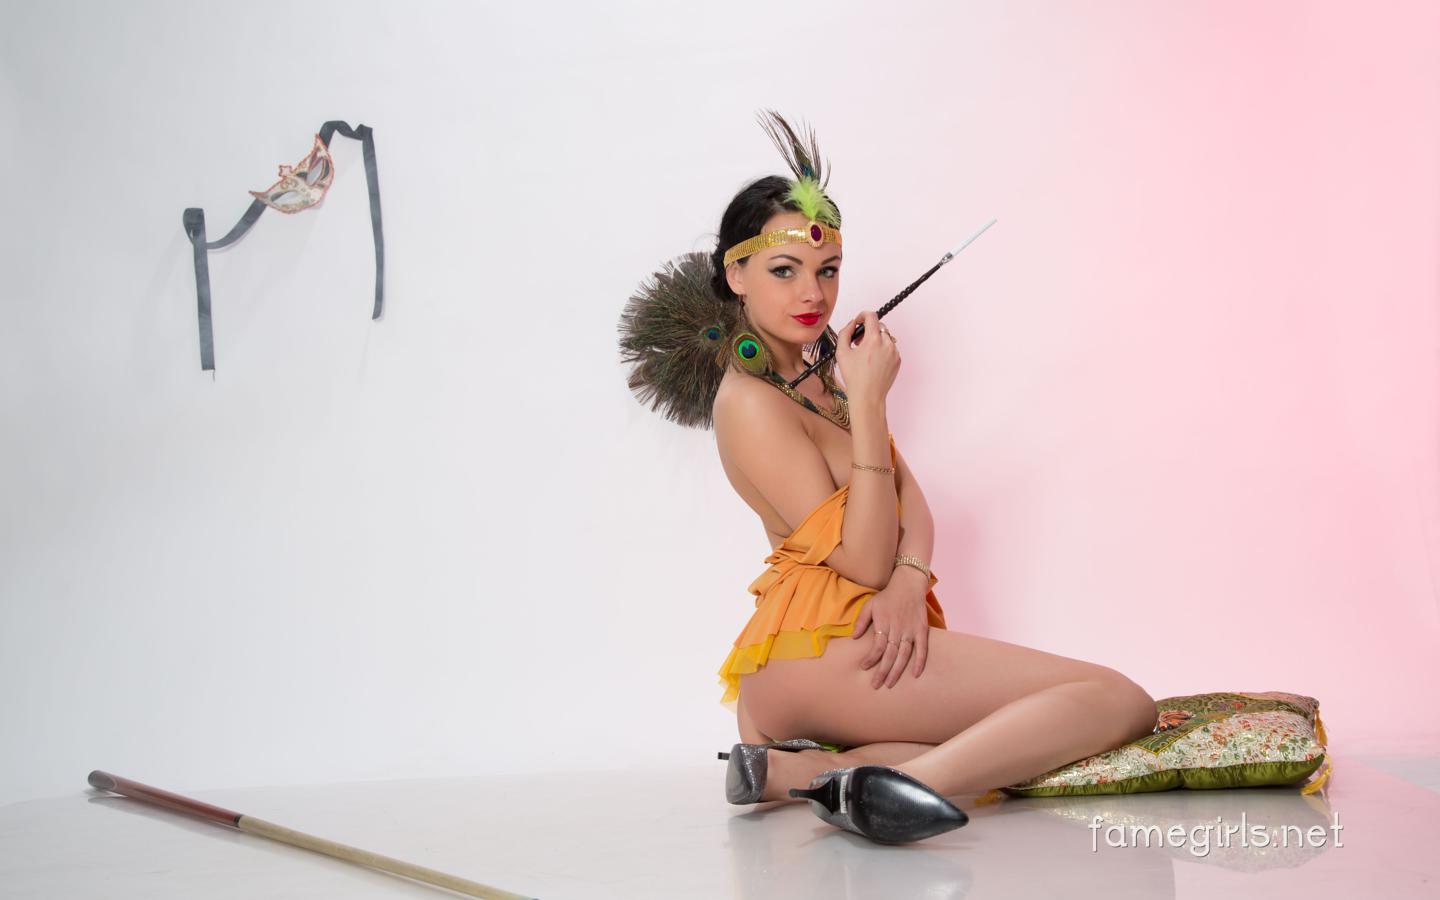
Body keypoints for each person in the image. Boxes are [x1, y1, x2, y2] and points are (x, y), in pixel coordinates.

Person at [618, 110, 1158, 843]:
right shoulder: (748, 403)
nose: (813, 294)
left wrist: (910, 584)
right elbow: (864, 560)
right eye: (784, 271)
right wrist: (870, 402)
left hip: (849, 641)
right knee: (1120, 701)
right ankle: (905, 790)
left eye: (827, 270)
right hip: (820, 647)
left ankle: (801, 772)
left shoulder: (824, 382)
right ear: (736, 275)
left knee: (1006, 739)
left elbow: (914, 505)